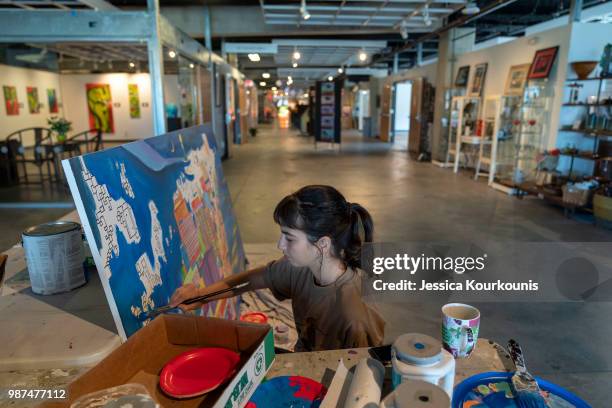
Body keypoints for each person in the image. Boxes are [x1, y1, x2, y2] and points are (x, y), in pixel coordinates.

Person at [170, 185, 385, 351]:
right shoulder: (302, 269)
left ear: (323, 244)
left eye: (289, 238)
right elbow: (249, 281)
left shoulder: (354, 317)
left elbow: (363, 378)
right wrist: (199, 296)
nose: (279, 245)